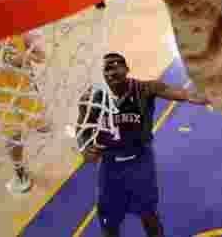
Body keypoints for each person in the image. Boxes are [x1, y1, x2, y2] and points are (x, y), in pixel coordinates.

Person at [77, 52, 208, 237]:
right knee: (108, 220)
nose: (112, 72)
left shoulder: (145, 89)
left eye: (117, 67)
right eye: (107, 68)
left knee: (148, 214)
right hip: (109, 164)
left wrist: (211, 96)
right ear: (103, 74)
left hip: (139, 162)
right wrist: (84, 147)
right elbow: (82, 129)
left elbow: (184, 93)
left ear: (127, 69)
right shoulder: (92, 98)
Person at [0, 29, 48, 194]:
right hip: (1, 100)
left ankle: (39, 125)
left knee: (43, 126)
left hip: (26, 90)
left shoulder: (18, 29)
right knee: (13, 137)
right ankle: (20, 172)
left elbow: (41, 57)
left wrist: (24, 57)